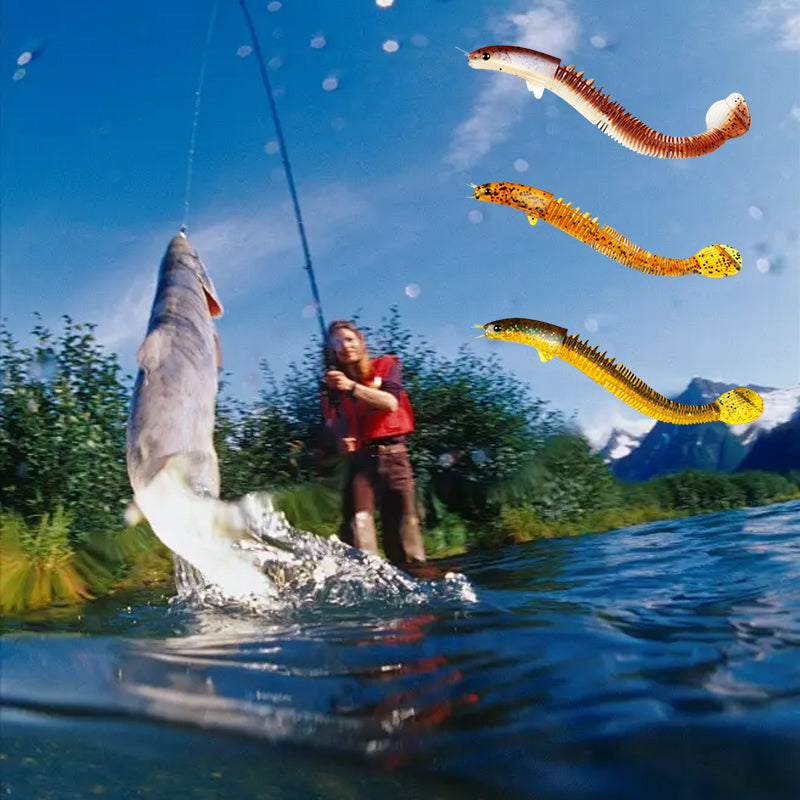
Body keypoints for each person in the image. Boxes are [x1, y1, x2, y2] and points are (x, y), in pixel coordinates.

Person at [322, 319, 427, 568]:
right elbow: (332, 426)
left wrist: (352, 387)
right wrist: (340, 439)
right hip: (360, 463)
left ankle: (417, 582)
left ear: (360, 342)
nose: (345, 346)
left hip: (394, 456)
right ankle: (370, 586)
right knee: (359, 530)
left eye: (349, 339)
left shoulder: (387, 365)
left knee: (404, 530)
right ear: (333, 351)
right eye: (337, 343)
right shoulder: (330, 388)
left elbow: (390, 402)